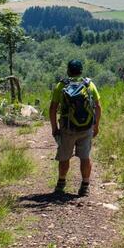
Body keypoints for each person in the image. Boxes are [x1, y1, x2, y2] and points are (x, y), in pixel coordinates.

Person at [49, 59, 101, 196]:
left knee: (64, 157)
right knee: (85, 157)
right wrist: (96, 126)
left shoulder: (61, 86)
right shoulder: (89, 85)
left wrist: (54, 128)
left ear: (68, 70)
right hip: (86, 128)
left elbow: (53, 108)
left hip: (67, 129)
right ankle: (85, 186)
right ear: (81, 70)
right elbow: (98, 107)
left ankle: (61, 184)